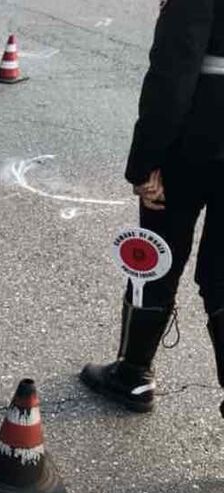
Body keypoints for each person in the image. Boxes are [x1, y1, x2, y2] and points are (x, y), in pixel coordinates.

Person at [81, 0, 224, 414]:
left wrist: (145, 161)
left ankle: (133, 374)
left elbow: (174, 70)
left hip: (196, 139)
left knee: (155, 257)